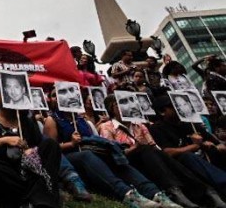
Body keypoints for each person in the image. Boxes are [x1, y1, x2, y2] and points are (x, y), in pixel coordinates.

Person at [43, 88, 177, 208]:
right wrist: (71, 144)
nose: (59, 97)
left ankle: (155, 193)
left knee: (115, 159)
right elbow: (51, 150)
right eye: (55, 95)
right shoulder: (52, 120)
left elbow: (94, 142)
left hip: (92, 154)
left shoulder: (82, 120)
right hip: (72, 157)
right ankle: (128, 195)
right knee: (86, 156)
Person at [100, 94, 221, 208]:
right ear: (111, 109)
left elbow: (154, 146)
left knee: (161, 154)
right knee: (147, 150)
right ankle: (173, 191)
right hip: (128, 163)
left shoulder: (139, 125)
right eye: (120, 103)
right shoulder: (106, 127)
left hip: (149, 159)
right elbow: (114, 155)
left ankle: (204, 191)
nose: (126, 106)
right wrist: (136, 146)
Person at [0, 81, 61, 207]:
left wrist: (29, 149)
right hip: (7, 171)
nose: (11, 92)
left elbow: (38, 145)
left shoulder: (26, 121)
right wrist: (3, 141)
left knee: (51, 145)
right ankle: (36, 196)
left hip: (29, 170)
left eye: (16, 88)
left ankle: (40, 202)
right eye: (4, 90)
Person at [150, 95, 226, 200]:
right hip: (184, 168)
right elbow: (167, 152)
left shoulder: (190, 124)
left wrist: (215, 147)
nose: (178, 108)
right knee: (187, 156)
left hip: (208, 160)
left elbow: (219, 144)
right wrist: (196, 145)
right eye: (173, 106)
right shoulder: (157, 128)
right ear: (162, 111)